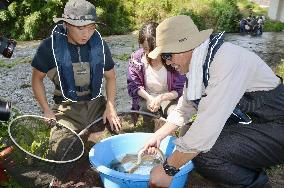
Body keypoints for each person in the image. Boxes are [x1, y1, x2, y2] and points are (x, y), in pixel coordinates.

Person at [142, 15, 284, 188]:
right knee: (188, 134)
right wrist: (158, 135)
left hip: (276, 123)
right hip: (256, 122)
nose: (167, 63)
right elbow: (184, 110)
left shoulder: (226, 59)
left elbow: (205, 131)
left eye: (167, 55)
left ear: (186, 46)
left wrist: (168, 169)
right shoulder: (197, 67)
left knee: (205, 153)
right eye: (164, 58)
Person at [31, 0, 121, 136]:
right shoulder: (48, 47)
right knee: (61, 151)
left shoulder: (100, 46)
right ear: (66, 24)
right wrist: (46, 109)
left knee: (117, 140)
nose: (86, 34)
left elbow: (111, 77)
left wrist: (110, 106)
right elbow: (37, 79)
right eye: (80, 28)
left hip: (96, 106)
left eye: (91, 28)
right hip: (65, 111)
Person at [127, 22, 186, 120]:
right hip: (147, 98)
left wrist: (161, 98)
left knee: (174, 115)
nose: (150, 53)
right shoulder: (137, 59)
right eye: (146, 49)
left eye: (154, 49)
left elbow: (180, 89)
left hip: (170, 98)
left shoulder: (173, 58)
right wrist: (149, 98)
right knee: (146, 115)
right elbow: (133, 85)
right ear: (141, 45)